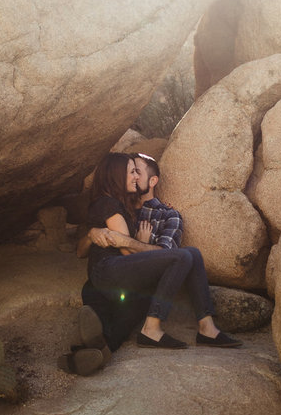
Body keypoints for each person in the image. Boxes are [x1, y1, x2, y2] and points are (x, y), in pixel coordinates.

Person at [82, 151, 240, 353]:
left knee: (190, 254)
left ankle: (207, 328)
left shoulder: (168, 215)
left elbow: (166, 256)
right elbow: (107, 243)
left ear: (153, 180)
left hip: (138, 285)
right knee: (185, 255)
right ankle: (150, 330)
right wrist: (94, 233)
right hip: (115, 279)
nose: (136, 177)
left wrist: (135, 244)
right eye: (132, 172)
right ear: (118, 175)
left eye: (138, 172)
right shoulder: (118, 206)